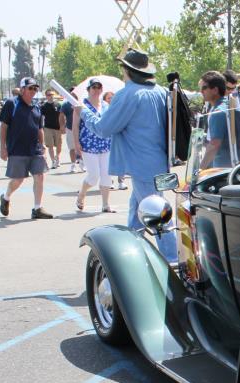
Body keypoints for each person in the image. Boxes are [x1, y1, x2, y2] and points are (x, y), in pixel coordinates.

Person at [77, 49, 172, 245]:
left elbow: (103, 128)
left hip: (142, 164)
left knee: (156, 216)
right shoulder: (161, 91)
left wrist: (84, 112)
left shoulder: (128, 94)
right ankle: (134, 248)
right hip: (159, 162)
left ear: (127, 70)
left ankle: (173, 258)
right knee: (138, 211)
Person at [0, 77, 52, 219]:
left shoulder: (36, 107)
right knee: (18, 179)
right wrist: (3, 147)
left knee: (39, 176)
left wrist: (43, 145)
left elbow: (39, 128)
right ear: (22, 90)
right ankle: (6, 197)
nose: (33, 91)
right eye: (30, 88)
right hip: (17, 148)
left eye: (35, 88)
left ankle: (37, 208)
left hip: (35, 149)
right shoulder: (12, 104)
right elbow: (4, 126)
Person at [71, 79, 115, 212]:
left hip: (106, 144)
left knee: (106, 175)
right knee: (93, 176)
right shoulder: (81, 106)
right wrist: (76, 143)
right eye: (93, 87)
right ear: (88, 90)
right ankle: (81, 194)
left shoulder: (106, 105)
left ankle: (105, 204)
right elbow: (75, 126)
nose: (96, 90)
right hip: (88, 145)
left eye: (98, 87)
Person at [199, 70, 234, 170]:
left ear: (215, 90)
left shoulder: (218, 112)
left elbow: (214, 144)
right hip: (235, 165)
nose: (201, 91)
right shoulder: (230, 105)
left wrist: (200, 170)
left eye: (204, 88)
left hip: (223, 169)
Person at [102, 90, 128, 189]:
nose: (111, 100)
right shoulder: (103, 110)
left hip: (119, 137)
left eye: (112, 97)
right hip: (107, 140)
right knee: (108, 161)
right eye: (108, 98)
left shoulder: (120, 108)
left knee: (121, 159)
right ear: (105, 100)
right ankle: (110, 181)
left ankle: (121, 182)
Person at [60, 94, 83, 172]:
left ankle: (82, 163)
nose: (74, 96)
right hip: (70, 129)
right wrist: (62, 126)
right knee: (72, 148)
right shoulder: (66, 105)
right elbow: (61, 115)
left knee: (82, 147)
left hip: (81, 129)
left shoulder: (81, 104)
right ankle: (73, 165)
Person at [40, 89, 62, 168]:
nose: (51, 96)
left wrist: (63, 126)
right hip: (48, 128)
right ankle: (53, 161)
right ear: (46, 96)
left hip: (58, 128)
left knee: (59, 145)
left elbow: (62, 116)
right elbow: (41, 117)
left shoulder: (58, 105)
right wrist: (41, 127)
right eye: (49, 95)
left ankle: (57, 158)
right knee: (50, 145)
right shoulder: (43, 106)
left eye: (52, 94)